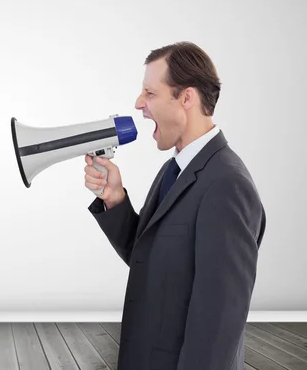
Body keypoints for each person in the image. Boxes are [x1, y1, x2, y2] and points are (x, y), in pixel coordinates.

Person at [85, 42, 266, 370]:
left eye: (150, 93)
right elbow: (151, 261)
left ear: (186, 98)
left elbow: (218, 326)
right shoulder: (175, 169)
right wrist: (115, 200)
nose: (139, 103)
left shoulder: (227, 185)